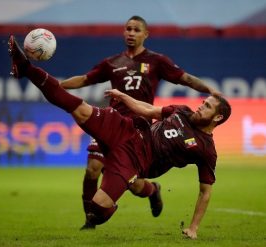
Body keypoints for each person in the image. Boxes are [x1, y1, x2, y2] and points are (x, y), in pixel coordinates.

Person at [8, 35, 231, 239]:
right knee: (76, 107)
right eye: (204, 102)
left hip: (136, 161)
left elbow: (205, 193)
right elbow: (148, 111)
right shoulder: (183, 110)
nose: (201, 106)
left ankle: (138, 194)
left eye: (208, 106)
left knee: (98, 211)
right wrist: (124, 97)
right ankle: (26, 67)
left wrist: (193, 228)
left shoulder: (206, 149)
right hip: (128, 130)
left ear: (218, 117)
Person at [59, 15, 222, 229]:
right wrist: (57, 88)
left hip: (139, 132)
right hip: (112, 124)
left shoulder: (157, 61)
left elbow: (186, 79)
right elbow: (84, 79)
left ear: (146, 34)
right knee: (93, 168)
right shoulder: (111, 63)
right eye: (128, 29)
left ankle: (153, 191)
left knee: (134, 185)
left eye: (136, 30)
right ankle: (90, 220)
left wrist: (210, 89)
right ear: (123, 32)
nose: (131, 33)